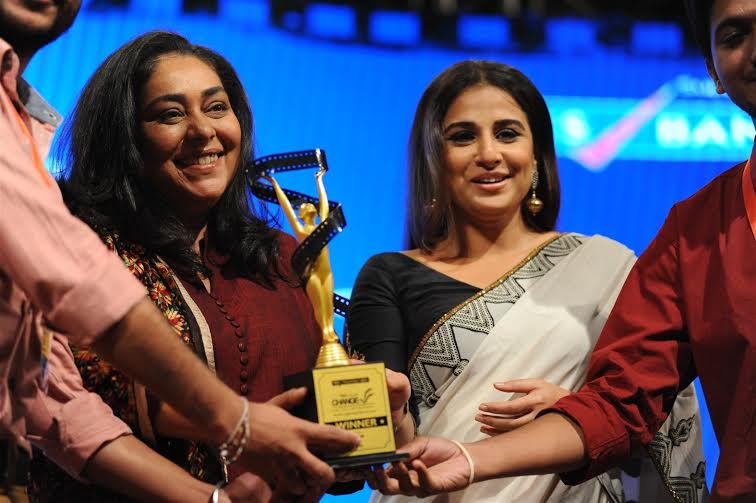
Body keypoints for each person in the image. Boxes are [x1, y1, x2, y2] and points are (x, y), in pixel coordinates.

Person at [368, 1, 755, 502]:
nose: (488, 154)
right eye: (733, 36)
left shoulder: (604, 264)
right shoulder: (694, 234)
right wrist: (466, 457)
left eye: (507, 134)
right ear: (714, 73)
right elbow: (620, 404)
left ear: (536, 158)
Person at [0, 2, 359, 501]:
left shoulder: (279, 256)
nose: (203, 131)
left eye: (216, 107)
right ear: (125, 139)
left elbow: (330, 442)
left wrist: (372, 417)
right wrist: (238, 431)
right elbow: (76, 397)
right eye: (170, 114)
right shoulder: (82, 244)